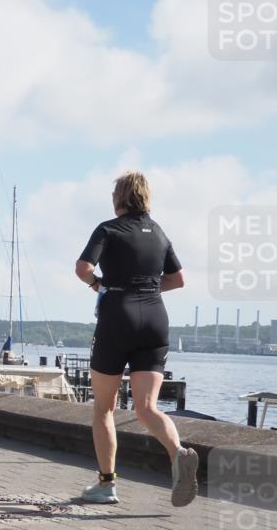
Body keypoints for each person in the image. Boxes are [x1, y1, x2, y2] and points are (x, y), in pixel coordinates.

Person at [75, 171, 197, 507]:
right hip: (155, 319)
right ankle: (179, 454)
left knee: (104, 408)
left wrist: (99, 285)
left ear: (119, 198)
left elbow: (83, 267)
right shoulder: (159, 233)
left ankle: (106, 484)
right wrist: (148, 290)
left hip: (118, 316)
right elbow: (179, 279)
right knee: (146, 408)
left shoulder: (109, 229)